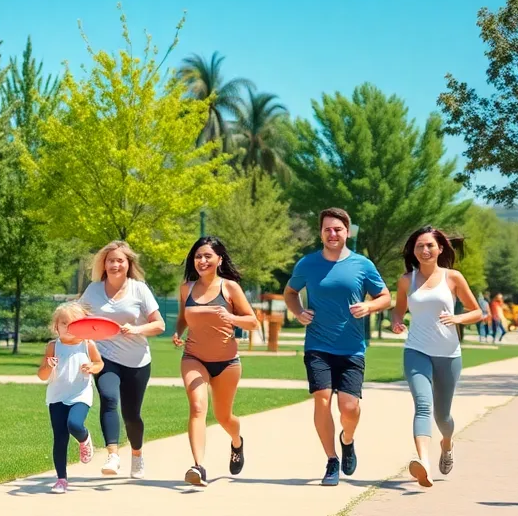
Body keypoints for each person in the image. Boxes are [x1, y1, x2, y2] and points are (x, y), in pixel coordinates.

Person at [283, 208, 393, 486]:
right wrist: (297, 312)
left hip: (352, 348)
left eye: (338, 229)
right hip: (318, 345)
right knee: (322, 398)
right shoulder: (307, 264)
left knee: (349, 408)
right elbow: (290, 292)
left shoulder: (362, 265)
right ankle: (331, 460)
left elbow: (385, 297)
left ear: (347, 232)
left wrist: (369, 305)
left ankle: (347, 440)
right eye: (327, 229)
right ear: (321, 233)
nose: (332, 234)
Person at [390, 227, 484, 487]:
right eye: (420, 246)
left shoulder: (453, 277)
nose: (425, 250)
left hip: (448, 354)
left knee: (442, 416)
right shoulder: (406, 280)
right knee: (423, 405)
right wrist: (397, 323)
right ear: (414, 250)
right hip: (416, 350)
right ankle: (424, 463)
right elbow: (397, 312)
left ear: (440, 249)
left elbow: (477, 312)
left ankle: (447, 442)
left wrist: (458, 318)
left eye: (430, 245)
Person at [173, 235, 258, 486]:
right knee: (198, 408)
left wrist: (230, 317)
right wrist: (178, 332)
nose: (202, 260)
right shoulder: (186, 288)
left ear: (219, 259)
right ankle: (198, 467)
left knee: (224, 417)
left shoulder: (229, 288)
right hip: (193, 357)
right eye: (198, 256)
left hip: (227, 362)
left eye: (207, 256)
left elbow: (252, 322)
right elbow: (182, 318)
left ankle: (237, 441)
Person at [79, 241, 166, 479]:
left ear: (128, 264)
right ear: (104, 264)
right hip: (105, 356)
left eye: (120, 260)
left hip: (137, 360)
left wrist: (137, 330)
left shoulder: (139, 289)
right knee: (108, 398)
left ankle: (136, 454)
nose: (115, 264)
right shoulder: (93, 290)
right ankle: (113, 455)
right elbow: (77, 318)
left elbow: (160, 324)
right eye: (111, 260)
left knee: (131, 415)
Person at [37, 302, 103, 494]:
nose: (68, 327)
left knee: (74, 424)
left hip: (80, 394)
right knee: (60, 437)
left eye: (74, 323)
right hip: (56, 396)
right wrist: (49, 366)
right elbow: (42, 375)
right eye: (63, 323)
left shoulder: (87, 344)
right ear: (55, 326)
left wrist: (92, 368)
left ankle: (84, 439)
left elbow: (99, 363)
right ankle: (61, 479)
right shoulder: (52, 347)